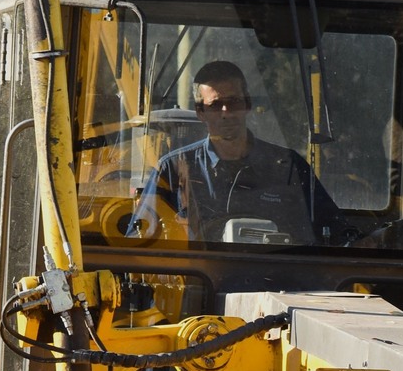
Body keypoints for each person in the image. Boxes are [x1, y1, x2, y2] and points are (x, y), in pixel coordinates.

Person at [136, 59, 353, 247]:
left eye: (233, 103)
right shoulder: (174, 169)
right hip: (201, 285)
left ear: (247, 104)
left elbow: (337, 234)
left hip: (276, 285)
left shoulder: (288, 167)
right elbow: (141, 240)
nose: (226, 113)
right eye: (215, 105)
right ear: (200, 112)